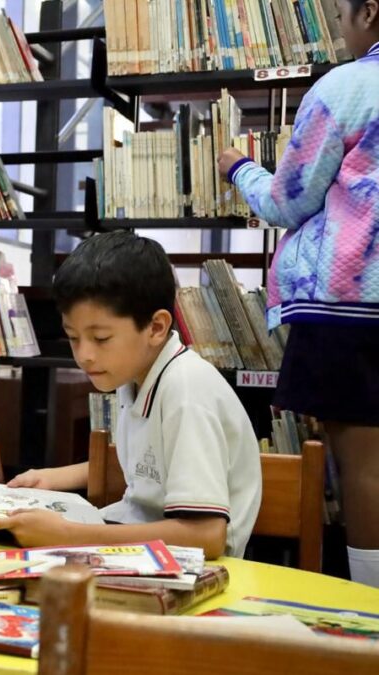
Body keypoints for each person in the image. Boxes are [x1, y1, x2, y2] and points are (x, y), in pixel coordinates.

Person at [217, 0, 379, 586]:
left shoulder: (348, 86)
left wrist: (239, 168)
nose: (338, 28)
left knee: (363, 466)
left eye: (341, 13)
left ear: (370, 11)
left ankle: (370, 618)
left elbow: (288, 201)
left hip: (351, 305)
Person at [0, 232, 261, 560]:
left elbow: (206, 536)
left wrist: (70, 536)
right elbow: (147, 465)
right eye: (73, 338)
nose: (85, 356)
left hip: (185, 564)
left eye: (101, 338)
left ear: (155, 328)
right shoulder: (136, 373)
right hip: (138, 546)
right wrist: (52, 478)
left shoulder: (186, 390)